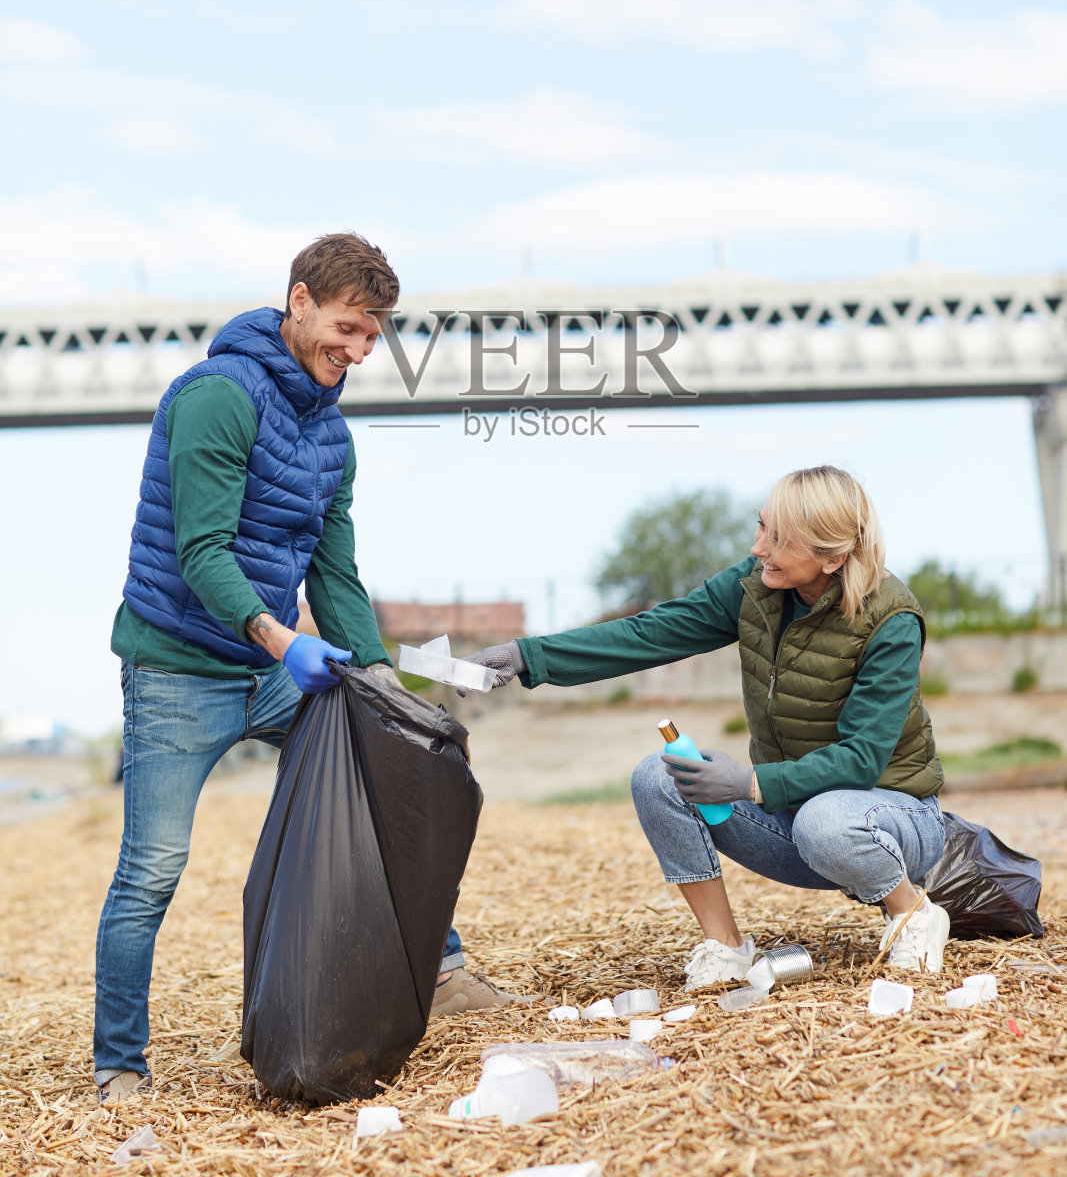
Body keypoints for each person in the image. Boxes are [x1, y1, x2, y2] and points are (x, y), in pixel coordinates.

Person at [94, 233, 518, 1106]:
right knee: (151, 868)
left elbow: (334, 572)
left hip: (273, 663)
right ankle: (119, 1062)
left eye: (372, 337)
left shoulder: (332, 433)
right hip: (178, 669)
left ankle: (440, 971)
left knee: (396, 765)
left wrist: (376, 680)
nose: (358, 352)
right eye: (346, 329)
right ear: (297, 303)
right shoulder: (217, 397)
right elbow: (204, 550)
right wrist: (283, 640)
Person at [467, 465, 950, 989]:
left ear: (832, 558)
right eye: (761, 525)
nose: (759, 546)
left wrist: (746, 784)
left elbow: (862, 759)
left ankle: (912, 912)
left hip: (887, 819)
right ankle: (726, 949)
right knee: (660, 775)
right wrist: (527, 656)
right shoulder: (754, 587)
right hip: (794, 821)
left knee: (826, 820)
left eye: (779, 539)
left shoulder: (890, 619)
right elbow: (649, 634)